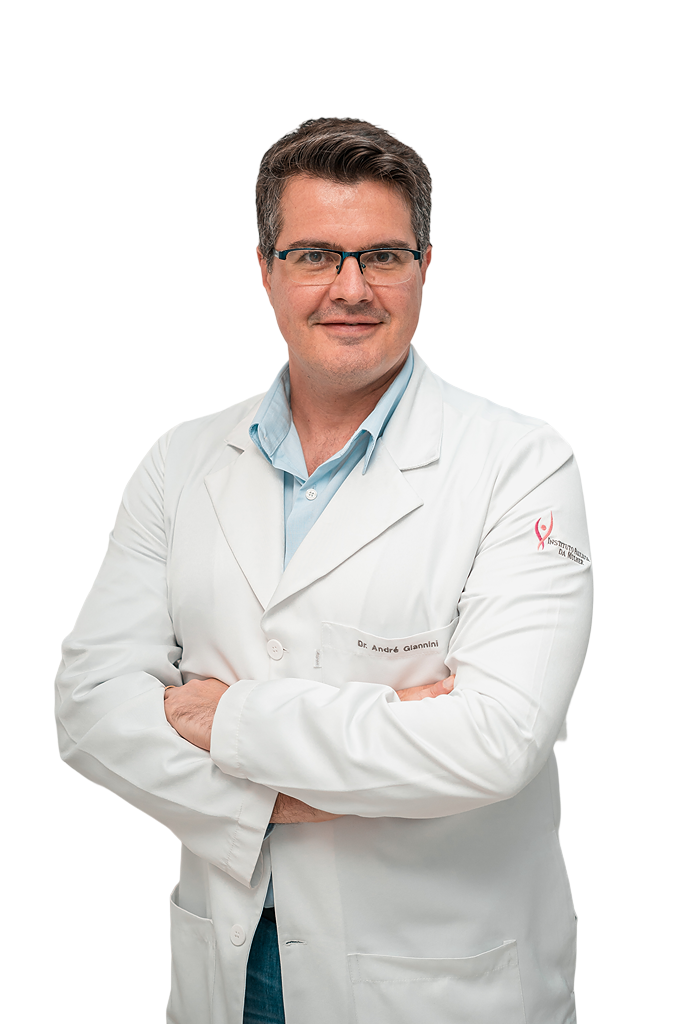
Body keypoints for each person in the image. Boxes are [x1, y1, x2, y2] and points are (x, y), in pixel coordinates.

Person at [54, 116, 591, 1024]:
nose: (351, 288)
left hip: (436, 980)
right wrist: (297, 796)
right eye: (313, 256)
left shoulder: (521, 462)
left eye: (382, 255)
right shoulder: (181, 460)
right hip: (231, 969)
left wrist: (225, 716)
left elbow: (497, 739)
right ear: (265, 269)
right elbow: (90, 705)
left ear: (426, 266)